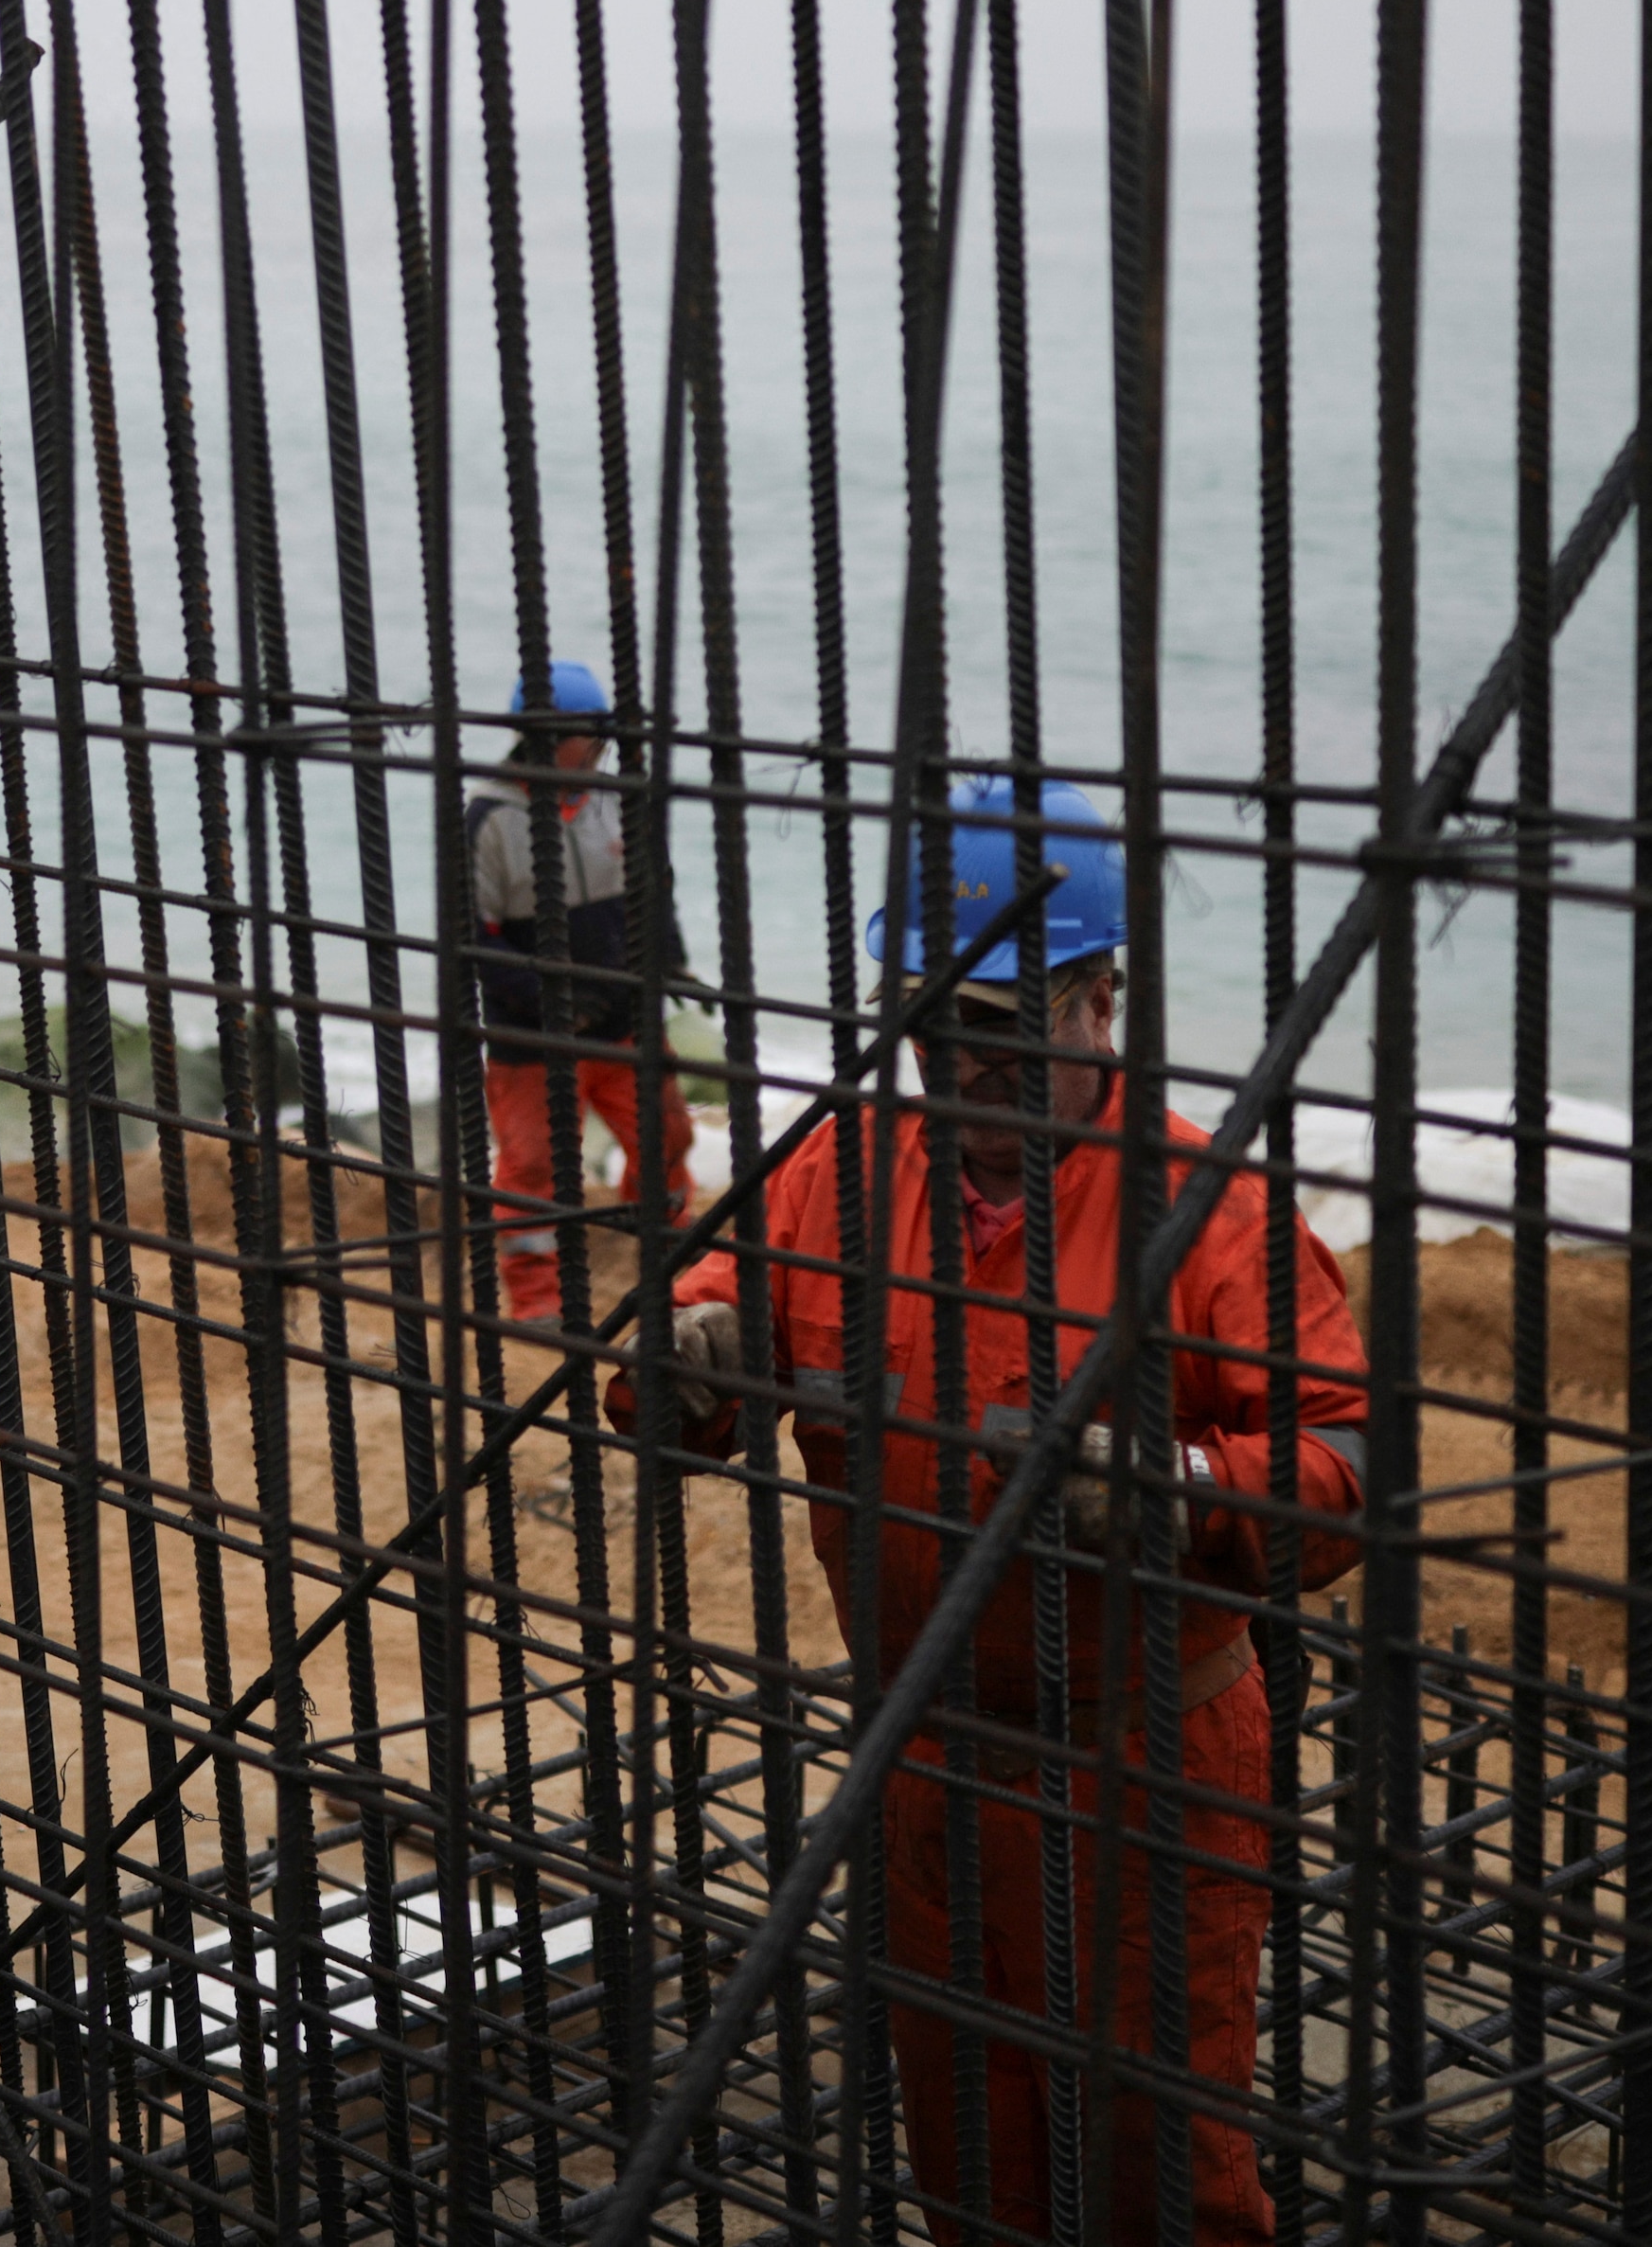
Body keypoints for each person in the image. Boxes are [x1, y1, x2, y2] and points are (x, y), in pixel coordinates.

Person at [626, 776, 1369, 2243]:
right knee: (971, 2157)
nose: (969, 1062)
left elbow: (1350, 1455)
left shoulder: (1206, 1210)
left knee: (1167, 2170)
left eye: (1011, 1022)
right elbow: (705, 1336)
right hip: (931, 1762)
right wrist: (685, 1359)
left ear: (1103, 998)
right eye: (938, 1023)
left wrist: (1189, 1486)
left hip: (1146, 1767)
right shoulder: (838, 1173)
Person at [464, 658, 695, 1322]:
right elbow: (473, 935)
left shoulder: (616, 798)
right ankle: (537, 1300)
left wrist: (670, 957)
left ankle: (665, 1253)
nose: (601, 746)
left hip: (623, 1022)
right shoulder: (488, 819)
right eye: (590, 732)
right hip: (531, 1038)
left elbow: (655, 888)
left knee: (667, 1135)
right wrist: (548, 998)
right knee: (533, 1167)